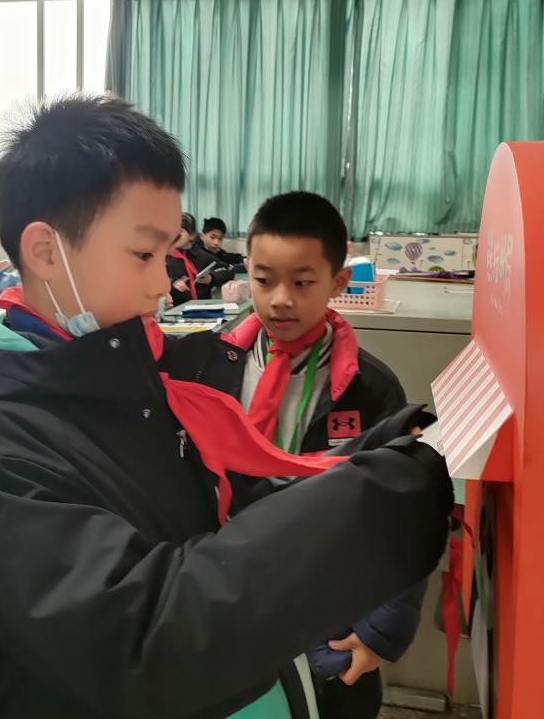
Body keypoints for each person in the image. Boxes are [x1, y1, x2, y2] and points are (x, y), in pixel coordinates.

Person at [0, 94, 452, 719]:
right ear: (46, 252)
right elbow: (144, 636)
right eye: (143, 254)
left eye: (165, 254)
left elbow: (226, 506)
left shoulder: (126, 378)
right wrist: (377, 497)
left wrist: (373, 454)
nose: (163, 284)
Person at [172, 191, 426, 718]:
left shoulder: (370, 389)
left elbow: (401, 513)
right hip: (228, 599)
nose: (280, 299)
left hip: (330, 613)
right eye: (265, 280)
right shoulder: (208, 367)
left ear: (338, 282)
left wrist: (379, 631)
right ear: (247, 271)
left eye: (303, 282)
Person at [165, 212, 233, 307]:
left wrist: (212, 277)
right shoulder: (165, 256)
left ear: (192, 235)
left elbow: (229, 269)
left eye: (180, 232)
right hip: (175, 308)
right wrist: (172, 282)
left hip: (203, 307)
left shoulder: (202, 255)